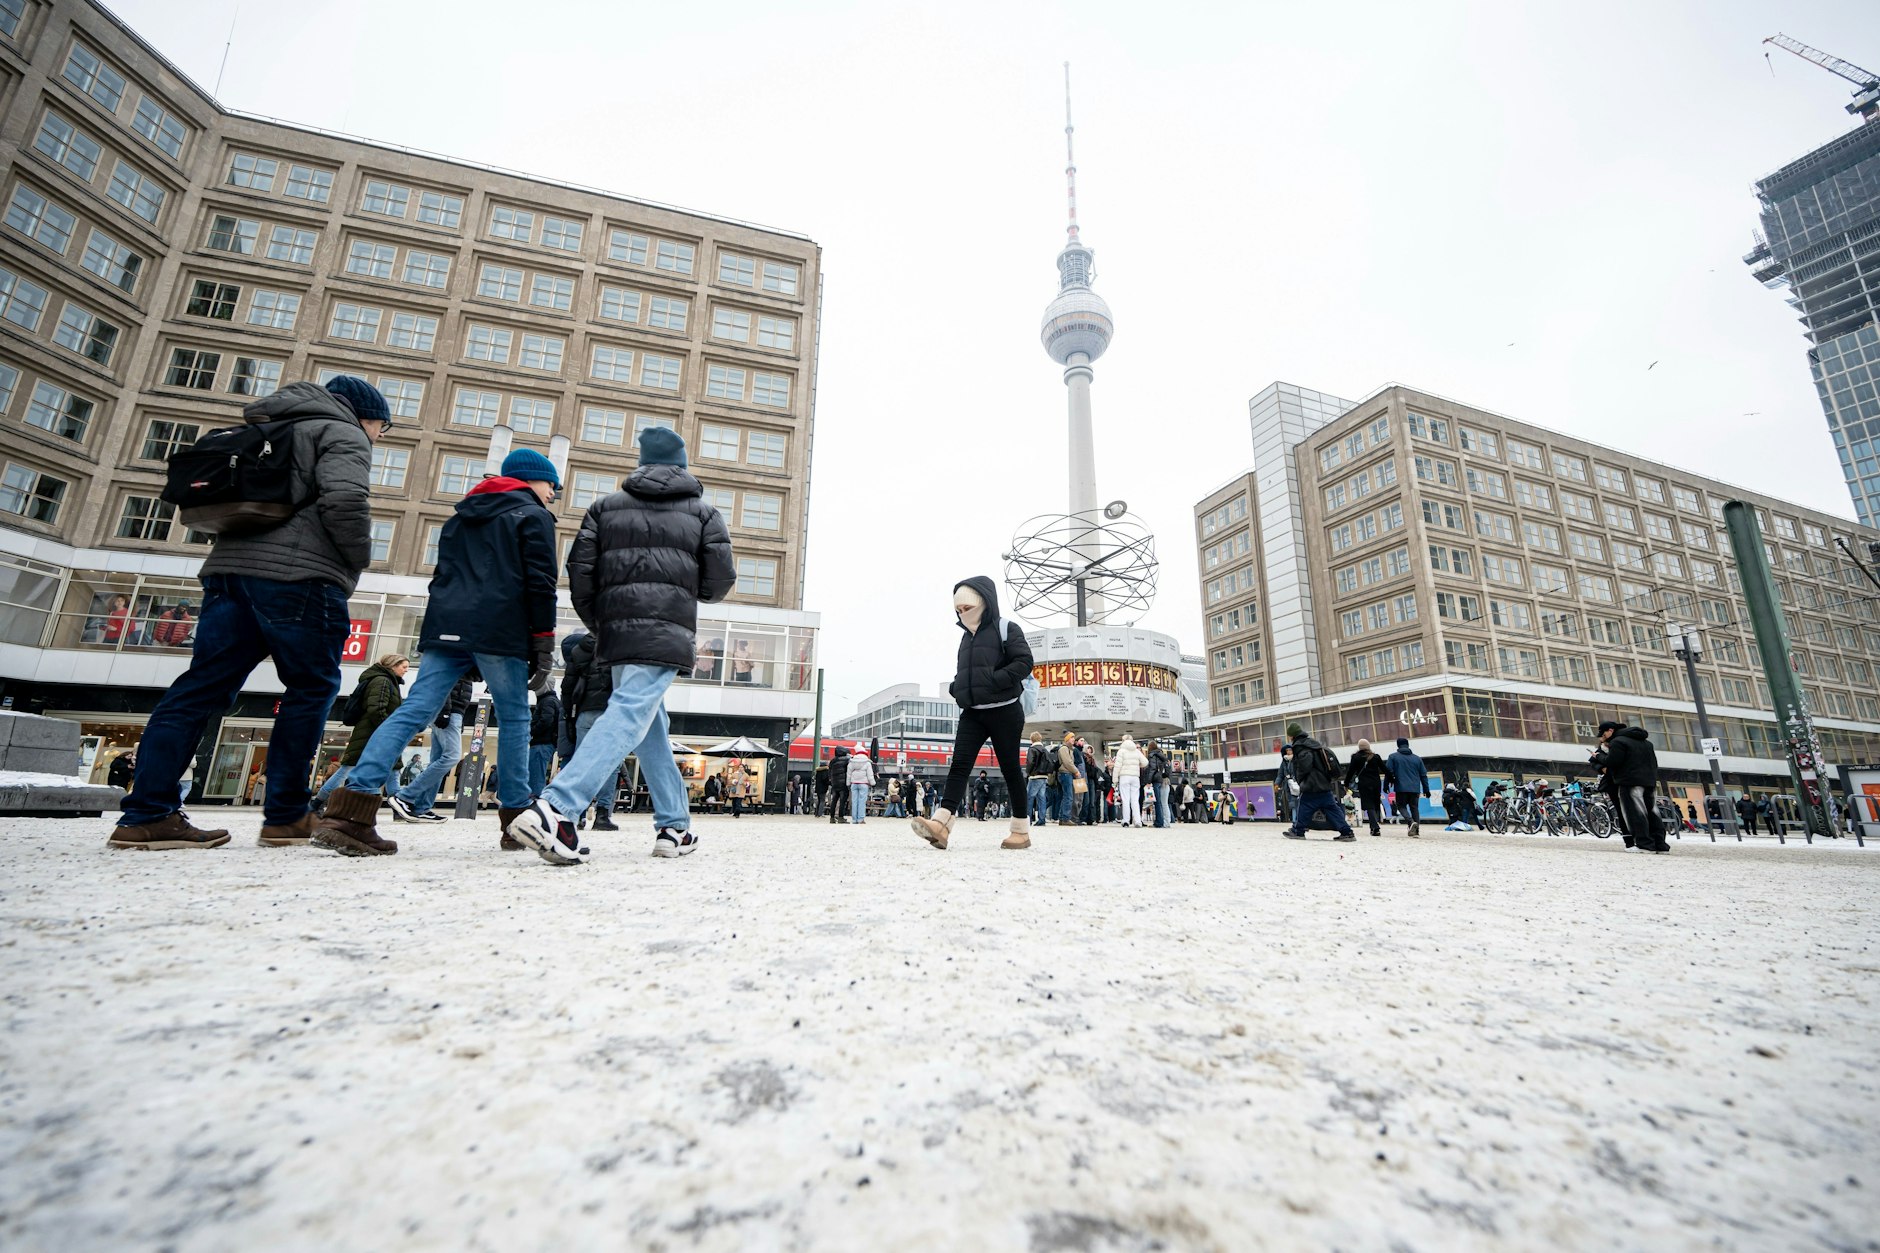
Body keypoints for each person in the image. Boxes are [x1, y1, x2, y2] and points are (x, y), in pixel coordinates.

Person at [109, 376, 384, 851]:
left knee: (200, 688)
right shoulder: (342, 433)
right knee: (310, 688)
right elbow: (345, 501)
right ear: (365, 415)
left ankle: (146, 814)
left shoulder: (272, 427)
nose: (380, 437)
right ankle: (286, 816)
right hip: (300, 579)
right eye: (383, 427)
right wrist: (357, 558)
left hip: (228, 574)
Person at [314, 447, 561, 856]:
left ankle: (350, 811)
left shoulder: (460, 516)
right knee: (516, 716)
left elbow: (442, 575)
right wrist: (543, 641)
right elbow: (540, 583)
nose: (553, 494)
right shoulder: (531, 516)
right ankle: (516, 817)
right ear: (531, 480)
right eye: (552, 485)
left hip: (446, 625)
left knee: (413, 711)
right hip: (501, 628)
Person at [511, 427, 735, 864]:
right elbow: (718, 582)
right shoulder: (703, 513)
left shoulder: (603, 508)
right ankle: (557, 808)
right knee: (633, 711)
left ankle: (674, 825)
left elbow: (580, 575)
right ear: (682, 464)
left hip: (615, 630)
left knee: (650, 725)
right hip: (666, 629)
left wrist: (604, 623)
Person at [909, 576, 1034, 851]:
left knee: (1011, 769)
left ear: (982, 603)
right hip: (973, 713)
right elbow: (965, 674)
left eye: (967, 607)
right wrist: (957, 689)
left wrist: (993, 680)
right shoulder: (966, 638)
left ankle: (1020, 830)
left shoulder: (1006, 628)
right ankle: (941, 824)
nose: (962, 614)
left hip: (1005, 711)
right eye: (958, 610)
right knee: (959, 765)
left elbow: (1024, 662)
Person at [313, 652, 410, 809]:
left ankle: (398, 807)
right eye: (404, 667)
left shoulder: (389, 681)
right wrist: (388, 731)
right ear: (393, 665)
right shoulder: (382, 681)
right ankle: (317, 803)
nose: (406, 670)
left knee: (394, 768)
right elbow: (376, 709)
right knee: (347, 769)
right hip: (371, 734)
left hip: (376, 732)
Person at [389, 673, 475, 823]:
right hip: (448, 711)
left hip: (452, 712)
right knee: (452, 756)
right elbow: (443, 683)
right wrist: (445, 712)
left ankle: (421, 807)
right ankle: (404, 796)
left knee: (438, 760)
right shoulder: (458, 658)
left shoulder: (466, 664)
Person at [556, 630, 620, 831]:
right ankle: (602, 815)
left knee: (582, 761)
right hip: (610, 711)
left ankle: (577, 814)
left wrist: (568, 715)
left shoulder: (579, 650)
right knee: (610, 763)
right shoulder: (616, 648)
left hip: (585, 712)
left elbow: (567, 687)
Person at [1596, 720, 1670, 854]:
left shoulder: (1618, 742)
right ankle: (1660, 844)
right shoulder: (1647, 743)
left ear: (1610, 731)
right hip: (1649, 781)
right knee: (1653, 813)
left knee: (1636, 813)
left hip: (1629, 782)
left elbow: (1612, 762)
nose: (1603, 736)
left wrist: (1598, 756)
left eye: (1604, 733)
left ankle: (1644, 844)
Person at [1281, 723, 1354, 842]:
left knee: (1304, 806)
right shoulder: (1312, 743)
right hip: (1323, 782)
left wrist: (1300, 778)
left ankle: (1298, 831)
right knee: (1332, 808)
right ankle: (1347, 832)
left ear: (1292, 736)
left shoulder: (1301, 746)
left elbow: (1305, 764)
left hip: (1312, 783)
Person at [1383, 738, 1429, 836]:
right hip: (1415, 788)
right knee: (1414, 808)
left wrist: (1386, 785)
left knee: (1401, 806)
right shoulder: (1417, 758)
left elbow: (1388, 772)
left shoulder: (1393, 757)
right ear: (1408, 745)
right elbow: (1423, 775)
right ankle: (1416, 831)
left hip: (1401, 787)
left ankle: (1410, 822)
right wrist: (1426, 789)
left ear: (1398, 745)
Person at [1346, 738, 1387, 837]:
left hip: (1364, 784)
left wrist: (1346, 783)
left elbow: (1350, 771)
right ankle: (1375, 824)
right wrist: (1392, 779)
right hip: (1376, 783)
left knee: (1369, 805)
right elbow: (1385, 769)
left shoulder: (1356, 757)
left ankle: (1374, 826)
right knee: (1375, 803)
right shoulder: (1375, 757)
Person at [529, 684, 561, 797]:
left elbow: (546, 720)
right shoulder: (552, 701)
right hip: (546, 742)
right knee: (537, 775)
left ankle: (534, 804)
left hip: (541, 743)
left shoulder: (547, 701)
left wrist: (531, 730)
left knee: (535, 777)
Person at [1113, 733, 1147, 827]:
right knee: (1135, 800)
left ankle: (1126, 821)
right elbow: (1145, 762)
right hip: (1135, 777)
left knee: (1125, 799)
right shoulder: (1136, 751)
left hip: (1124, 777)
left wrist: (1115, 779)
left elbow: (1117, 766)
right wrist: (1137, 765)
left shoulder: (1121, 751)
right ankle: (1138, 821)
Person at [1024, 731, 1053, 826]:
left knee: (1029, 798)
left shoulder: (1032, 749)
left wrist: (1028, 772)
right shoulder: (1045, 750)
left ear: (1031, 739)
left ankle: (1028, 819)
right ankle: (1041, 819)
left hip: (1035, 776)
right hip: (1044, 777)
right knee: (1042, 798)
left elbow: (1030, 762)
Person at [1145, 739, 1171, 828]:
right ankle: (1165, 822)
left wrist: (1148, 781)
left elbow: (1152, 769)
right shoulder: (1162, 755)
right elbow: (1168, 768)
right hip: (1162, 779)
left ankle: (1159, 822)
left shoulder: (1152, 755)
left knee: (1158, 802)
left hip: (1156, 780)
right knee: (1162, 802)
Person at [848, 746, 876, 824]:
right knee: (862, 802)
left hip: (854, 784)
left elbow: (848, 774)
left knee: (854, 801)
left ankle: (854, 819)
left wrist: (848, 783)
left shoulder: (852, 762)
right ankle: (860, 819)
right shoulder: (867, 763)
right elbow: (870, 775)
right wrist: (873, 783)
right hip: (863, 784)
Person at [827, 743, 851, 824]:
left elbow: (829, 772)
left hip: (835, 783)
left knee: (834, 800)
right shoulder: (847, 759)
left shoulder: (832, 761)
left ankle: (832, 818)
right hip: (843, 783)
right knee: (842, 801)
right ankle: (841, 817)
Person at [1273, 744, 1297, 826]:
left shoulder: (1297, 759)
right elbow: (1280, 774)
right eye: (1287, 750)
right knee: (1293, 804)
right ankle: (1295, 822)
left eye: (1290, 750)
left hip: (1299, 784)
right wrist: (1276, 784)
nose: (1289, 752)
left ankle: (1297, 822)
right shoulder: (1284, 762)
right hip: (1289, 786)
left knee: (1300, 803)